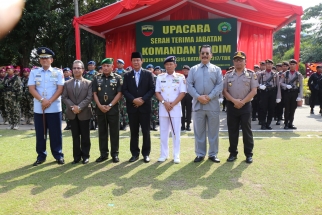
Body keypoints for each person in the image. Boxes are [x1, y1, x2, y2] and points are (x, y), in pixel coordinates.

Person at [28, 47, 65, 166]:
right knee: (40, 133)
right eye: (42, 58)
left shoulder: (58, 72)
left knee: (56, 133)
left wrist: (49, 101)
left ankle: (58, 155)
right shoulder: (34, 72)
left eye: (47, 58)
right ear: (39, 60)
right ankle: (41, 155)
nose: (44, 60)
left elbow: (60, 89)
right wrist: (42, 100)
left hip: (54, 108)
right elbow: (31, 88)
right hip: (40, 109)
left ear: (51, 60)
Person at [186, 44, 223, 163]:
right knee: (199, 131)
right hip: (198, 106)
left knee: (213, 131)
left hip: (212, 105)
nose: (205, 55)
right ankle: (200, 154)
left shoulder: (216, 69)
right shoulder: (193, 69)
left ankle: (213, 154)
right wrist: (198, 97)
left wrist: (210, 96)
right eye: (203, 53)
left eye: (207, 53)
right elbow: (189, 85)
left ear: (211, 55)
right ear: (199, 55)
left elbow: (219, 85)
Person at [223, 51, 258, 164]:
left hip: (245, 106)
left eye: (241, 60)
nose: (238, 62)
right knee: (232, 131)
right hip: (232, 106)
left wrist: (242, 102)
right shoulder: (228, 75)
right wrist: (234, 101)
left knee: (247, 131)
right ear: (233, 61)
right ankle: (233, 153)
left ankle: (248, 154)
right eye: (236, 60)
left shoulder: (251, 74)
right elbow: (224, 91)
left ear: (245, 61)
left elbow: (254, 91)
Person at [122, 52, 155, 163]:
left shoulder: (148, 74)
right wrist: (133, 100)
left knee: (146, 131)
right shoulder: (127, 75)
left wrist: (142, 100)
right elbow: (124, 90)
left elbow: (152, 89)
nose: (136, 62)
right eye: (134, 60)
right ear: (131, 62)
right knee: (134, 132)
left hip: (145, 107)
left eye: (138, 60)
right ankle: (134, 154)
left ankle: (146, 154)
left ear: (142, 61)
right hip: (132, 108)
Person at [155, 56, 186, 163]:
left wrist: (172, 104)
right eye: (167, 64)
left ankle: (176, 155)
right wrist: (164, 103)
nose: (169, 66)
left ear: (175, 65)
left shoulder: (180, 77)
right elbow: (157, 92)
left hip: (175, 108)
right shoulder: (160, 77)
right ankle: (164, 154)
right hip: (164, 108)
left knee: (176, 133)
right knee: (163, 133)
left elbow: (183, 92)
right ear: (165, 66)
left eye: (171, 64)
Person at [62, 60, 92, 164]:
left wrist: (79, 107)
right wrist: (73, 107)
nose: (76, 70)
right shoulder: (67, 83)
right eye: (74, 68)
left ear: (83, 70)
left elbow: (89, 98)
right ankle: (76, 157)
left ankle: (85, 156)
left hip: (84, 113)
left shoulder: (88, 83)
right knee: (75, 136)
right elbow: (64, 97)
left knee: (85, 136)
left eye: (78, 68)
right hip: (72, 113)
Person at [93, 58, 122, 163]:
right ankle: (103, 154)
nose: (105, 68)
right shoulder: (96, 78)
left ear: (112, 67)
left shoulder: (118, 78)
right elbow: (94, 93)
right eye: (103, 66)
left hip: (113, 109)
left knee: (114, 132)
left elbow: (119, 93)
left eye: (107, 66)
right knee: (102, 132)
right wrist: (100, 106)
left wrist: (110, 105)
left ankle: (115, 154)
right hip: (100, 109)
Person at [277, 59, 303, 129]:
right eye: (291, 64)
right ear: (289, 65)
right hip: (287, 93)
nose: (292, 65)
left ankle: (291, 123)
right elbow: (280, 83)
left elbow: (301, 85)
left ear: (296, 65)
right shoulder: (285, 74)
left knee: (293, 109)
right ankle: (286, 123)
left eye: (293, 64)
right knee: (287, 108)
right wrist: (286, 86)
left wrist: (300, 96)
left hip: (294, 93)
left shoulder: (298, 74)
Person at [257, 59, 279, 130]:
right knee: (263, 108)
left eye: (270, 64)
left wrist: (278, 96)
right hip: (264, 92)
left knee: (271, 109)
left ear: (272, 65)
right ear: (265, 65)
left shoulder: (275, 74)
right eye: (267, 64)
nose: (269, 65)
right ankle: (263, 124)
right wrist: (260, 86)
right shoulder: (261, 73)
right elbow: (255, 83)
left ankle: (268, 124)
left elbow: (278, 85)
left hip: (272, 92)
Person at [3, 65, 22, 130]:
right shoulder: (5, 78)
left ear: (13, 70)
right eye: (7, 70)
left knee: (15, 111)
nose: (8, 71)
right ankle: (11, 124)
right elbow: (3, 86)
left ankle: (16, 124)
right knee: (8, 110)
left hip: (14, 97)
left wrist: (19, 97)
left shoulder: (17, 78)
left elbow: (20, 88)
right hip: (6, 97)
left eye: (10, 69)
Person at [114, 59, 129, 131]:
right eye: (118, 63)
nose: (119, 64)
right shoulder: (114, 73)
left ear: (123, 64)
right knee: (117, 108)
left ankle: (125, 124)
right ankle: (119, 124)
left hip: (124, 94)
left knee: (125, 109)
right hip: (116, 94)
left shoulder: (127, 73)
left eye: (121, 63)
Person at [83, 60, 97, 130]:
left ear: (95, 66)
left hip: (96, 95)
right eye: (89, 65)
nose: (90, 66)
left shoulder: (97, 74)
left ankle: (96, 124)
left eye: (92, 65)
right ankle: (91, 124)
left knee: (96, 109)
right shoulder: (85, 75)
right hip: (88, 95)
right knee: (89, 109)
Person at [180, 65, 193, 131]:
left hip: (189, 95)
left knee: (189, 110)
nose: (185, 71)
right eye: (184, 70)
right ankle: (182, 125)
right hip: (182, 95)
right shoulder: (180, 77)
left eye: (187, 70)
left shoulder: (192, 78)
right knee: (181, 111)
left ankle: (188, 125)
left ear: (189, 71)